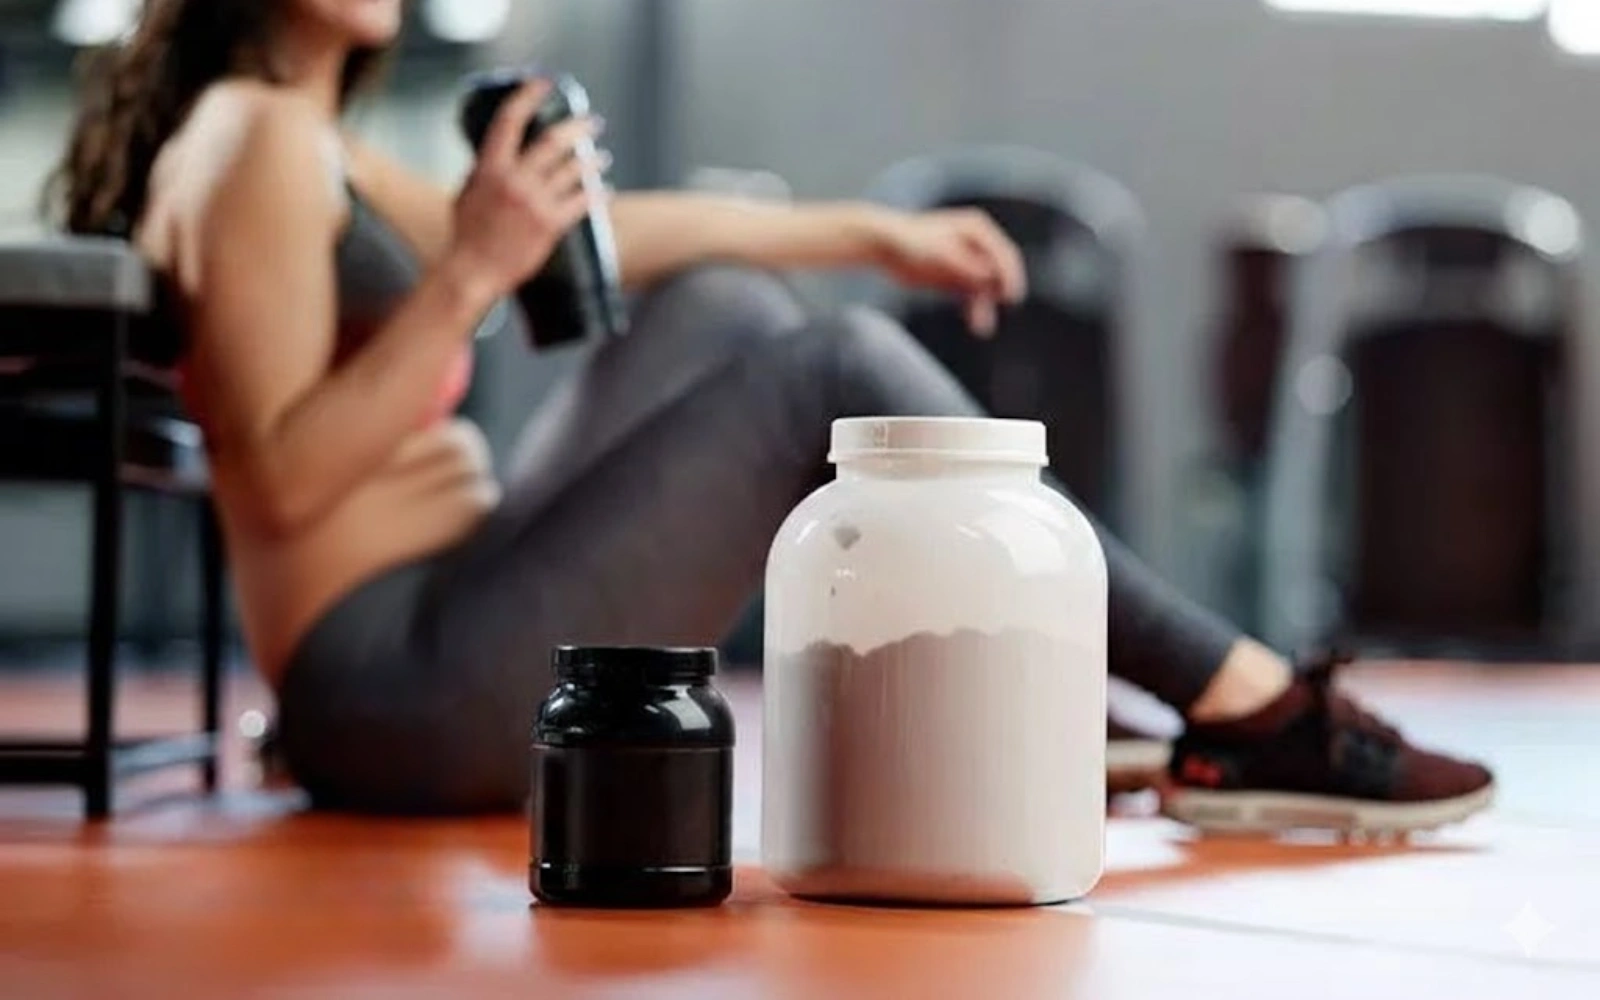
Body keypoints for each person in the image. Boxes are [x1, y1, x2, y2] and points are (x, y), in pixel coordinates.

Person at [51, 0, 1493, 831]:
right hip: (396, 692)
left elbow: (607, 230)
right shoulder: (243, 142)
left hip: (447, 614)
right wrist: (477, 271)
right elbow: (284, 480)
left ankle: (1048, 679)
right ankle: (1244, 705)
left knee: (730, 309)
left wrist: (866, 230)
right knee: (826, 373)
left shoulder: (309, 141)